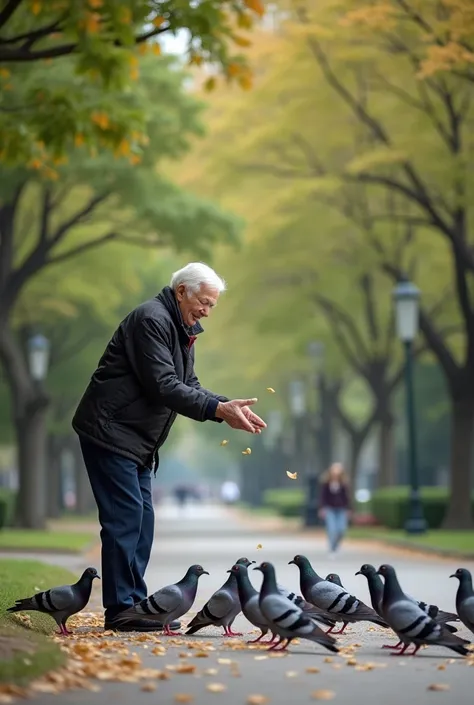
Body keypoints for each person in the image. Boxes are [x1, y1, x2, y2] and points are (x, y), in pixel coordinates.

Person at [72, 262, 266, 632]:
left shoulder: (181, 328)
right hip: (110, 432)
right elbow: (163, 385)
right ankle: (121, 610)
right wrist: (216, 410)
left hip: (137, 441)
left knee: (142, 523)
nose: (207, 311)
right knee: (125, 520)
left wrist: (226, 406)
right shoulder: (152, 320)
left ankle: (135, 605)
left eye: (212, 306)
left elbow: (188, 382)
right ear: (181, 291)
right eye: (204, 302)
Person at [318, 462, 352, 559]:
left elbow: (347, 497)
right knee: (332, 529)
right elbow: (322, 497)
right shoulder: (326, 484)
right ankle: (332, 548)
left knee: (341, 529)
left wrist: (349, 509)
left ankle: (336, 546)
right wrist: (322, 508)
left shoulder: (344, 484)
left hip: (341, 509)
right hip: (330, 509)